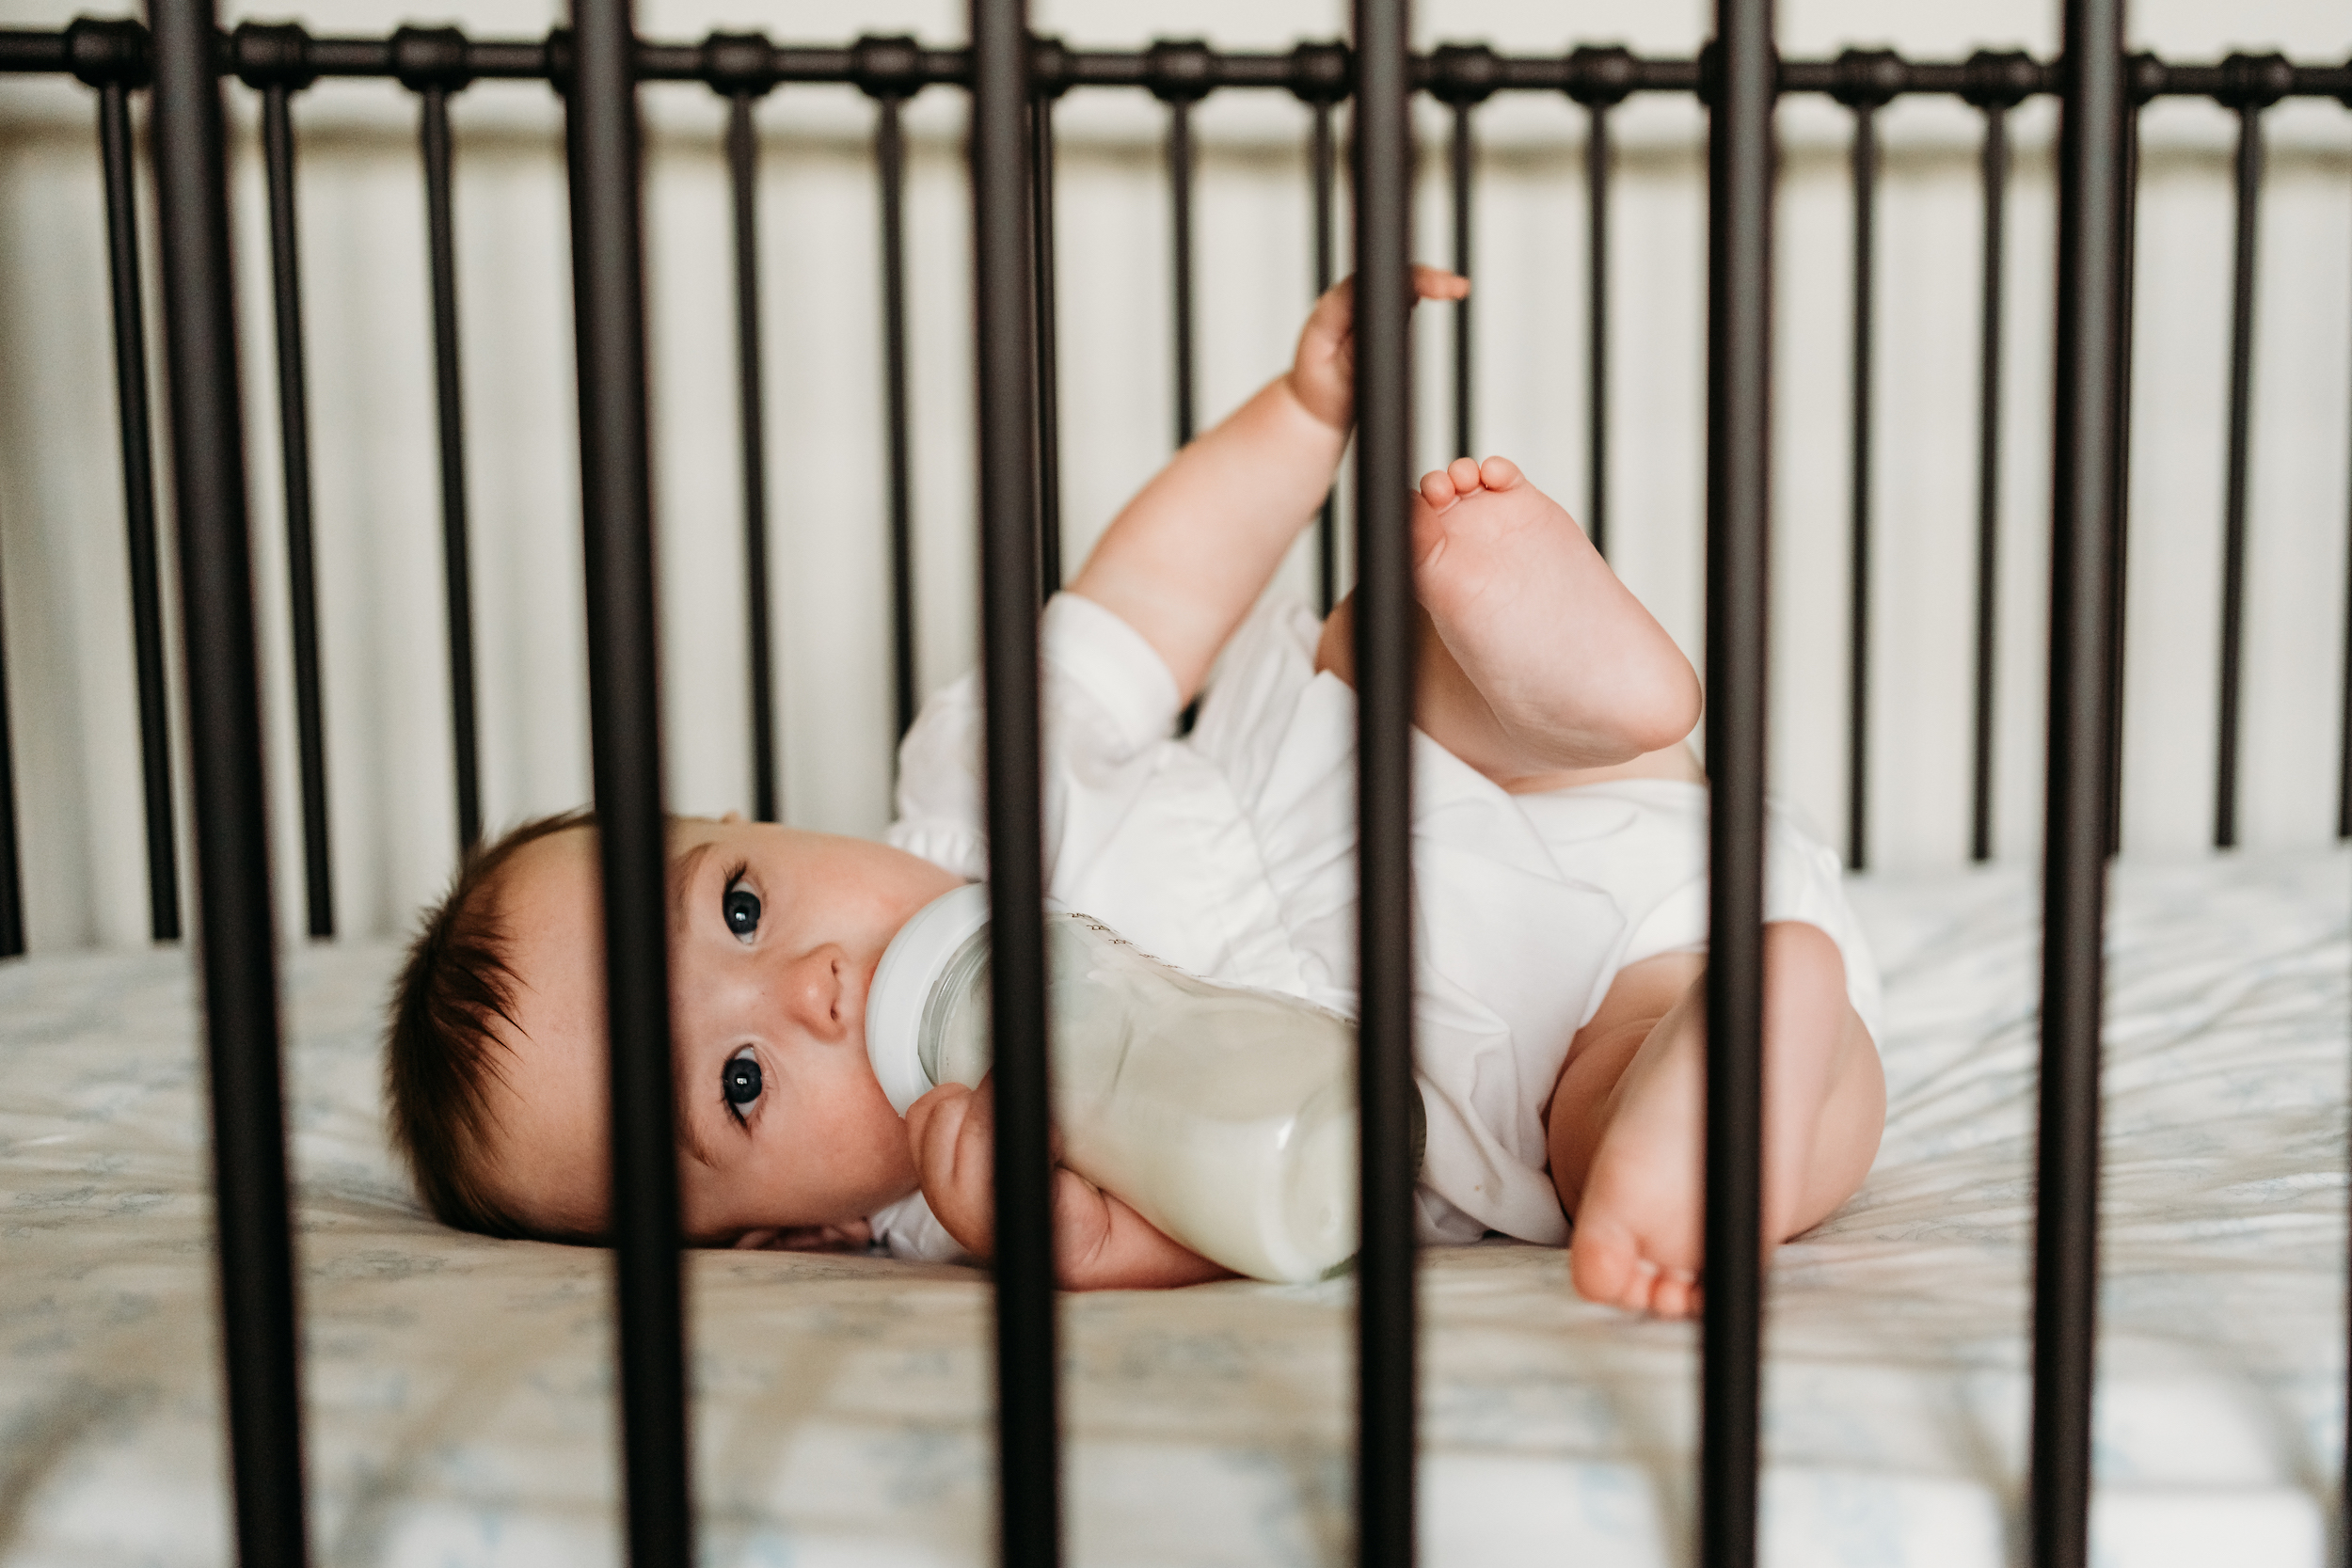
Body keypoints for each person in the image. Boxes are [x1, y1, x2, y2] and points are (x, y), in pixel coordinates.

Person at [386, 268, 1885, 1318]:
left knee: (1365, 645)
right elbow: (1246, 1207)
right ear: (796, 1230)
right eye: (739, 1084)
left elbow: (1152, 594)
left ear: (755, 824)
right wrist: (1082, 1243)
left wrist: (1302, 419)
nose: (818, 990)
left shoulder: (976, 772)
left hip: (1468, 776)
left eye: (738, 907)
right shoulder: (969, 1180)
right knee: (1603, 1136)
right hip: (1553, 1031)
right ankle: (1750, 1040)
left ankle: (1594, 691)